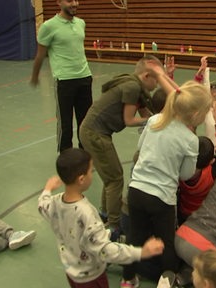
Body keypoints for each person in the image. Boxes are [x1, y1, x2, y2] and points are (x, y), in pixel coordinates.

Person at [122, 80, 212, 287]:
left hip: (136, 190)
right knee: (167, 242)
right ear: (196, 114)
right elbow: (187, 174)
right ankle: (166, 278)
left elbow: (140, 147)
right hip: (162, 198)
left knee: (134, 238)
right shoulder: (190, 139)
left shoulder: (154, 120)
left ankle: (128, 279)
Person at [37, 148, 164, 287]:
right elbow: (105, 251)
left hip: (72, 273)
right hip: (91, 278)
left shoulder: (55, 202)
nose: (92, 174)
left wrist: (47, 189)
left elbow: (42, 205)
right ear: (81, 179)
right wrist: (141, 252)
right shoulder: (86, 213)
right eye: (90, 171)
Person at [79, 55, 170, 239]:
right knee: (115, 178)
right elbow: (130, 120)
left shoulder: (138, 89)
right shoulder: (132, 87)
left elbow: (149, 112)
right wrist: (153, 120)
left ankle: (105, 213)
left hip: (96, 132)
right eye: (156, 79)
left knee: (110, 176)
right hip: (94, 133)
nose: (157, 84)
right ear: (146, 76)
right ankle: (113, 225)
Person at [30, 0, 93, 152]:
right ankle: (65, 156)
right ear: (59, 2)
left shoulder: (81, 23)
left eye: (76, 0)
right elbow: (40, 54)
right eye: (70, 0)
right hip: (65, 81)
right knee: (65, 123)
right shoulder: (48, 26)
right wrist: (35, 75)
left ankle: (84, 154)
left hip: (85, 78)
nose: (75, 3)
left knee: (85, 122)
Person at [178, 101, 216, 225]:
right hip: (203, 215)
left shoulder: (179, 167)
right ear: (212, 161)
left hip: (183, 213)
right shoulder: (213, 171)